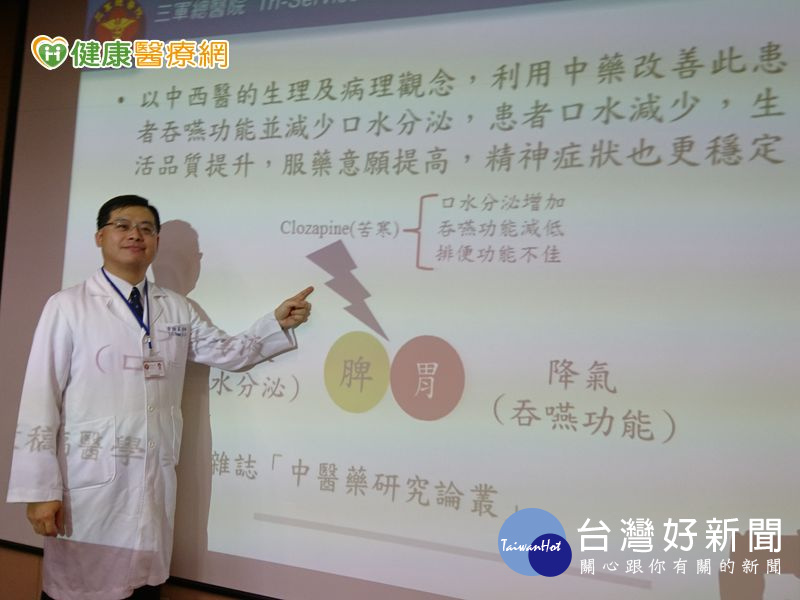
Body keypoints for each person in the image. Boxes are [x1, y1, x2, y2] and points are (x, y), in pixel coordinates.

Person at [6, 195, 313, 600]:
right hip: (88, 486)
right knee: (83, 589)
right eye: (122, 225)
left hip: (149, 481)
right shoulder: (68, 306)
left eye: (147, 229)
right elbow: (39, 396)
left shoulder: (176, 308)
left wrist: (275, 323)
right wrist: (39, 490)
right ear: (100, 236)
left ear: (156, 242)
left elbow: (229, 352)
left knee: (143, 586)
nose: (135, 235)